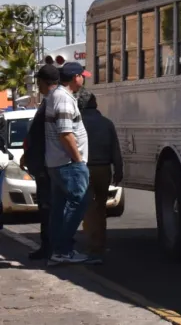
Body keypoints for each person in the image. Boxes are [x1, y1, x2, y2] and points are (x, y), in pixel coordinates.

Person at [45, 61, 91, 266]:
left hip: (58, 162)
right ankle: (63, 250)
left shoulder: (57, 96)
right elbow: (65, 134)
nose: (84, 79)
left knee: (60, 207)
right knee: (79, 203)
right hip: (68, 163)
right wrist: (78, 160)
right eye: (82, 75)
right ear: (75, 78)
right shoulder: (63, 99)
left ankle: (57, 249)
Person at [18, 64, 61, 259]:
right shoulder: (48, 102)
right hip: (43, 163)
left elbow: (49, 136)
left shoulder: (52, 102)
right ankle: (48, 246)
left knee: (49, 208)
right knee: (46, 207)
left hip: (47, 165)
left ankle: (52, 247)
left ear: (43, 82)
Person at [77, 88, 123, 264]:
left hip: (85, 169)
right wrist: (118, 170)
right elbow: (115, 149)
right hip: (104, 169)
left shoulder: (78, 123)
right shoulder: (107, 123)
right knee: (101, 208)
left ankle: (92, 247)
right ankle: (100, 244)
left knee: (89, 208)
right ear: (95, 104)